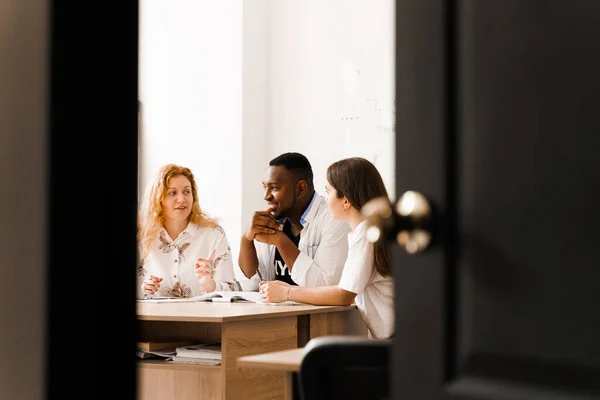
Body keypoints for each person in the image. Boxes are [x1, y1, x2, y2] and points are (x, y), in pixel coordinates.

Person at [259, 157, 394, 339]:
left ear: (345, 200)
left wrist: (287, 292)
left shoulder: (365, 234)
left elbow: (342, 295)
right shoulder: (374, 230)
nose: (325, 199)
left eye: (327, 191)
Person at [238, 152, 351, 290]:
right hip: (278, 311)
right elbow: (252, 286)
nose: (266, 196)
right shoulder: (274, 219)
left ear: (300, 189)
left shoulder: (333, 218)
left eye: (274, 188)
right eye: (265, 187)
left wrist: (280, 241)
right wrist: (246, 239)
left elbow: (326, 286)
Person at [137, 164, 238, 299]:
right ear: (158, 199)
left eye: (186, 191)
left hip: (203, 318)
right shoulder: (141, 236)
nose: (182, 199)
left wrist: (210, 285)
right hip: (155, 319)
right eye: (173, 193)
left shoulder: (213, 234)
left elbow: (232, 291)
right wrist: (142, 290)